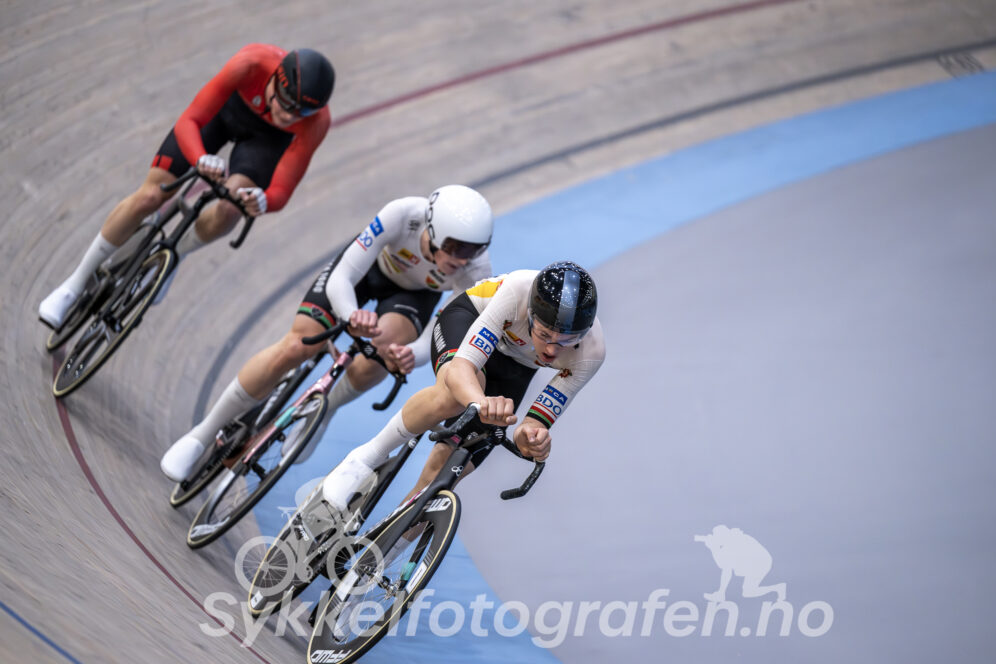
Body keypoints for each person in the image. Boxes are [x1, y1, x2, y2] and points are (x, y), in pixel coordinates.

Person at [160, 184, 494, 481]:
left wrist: (412, 355)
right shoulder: (403, 213)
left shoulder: (476, 271)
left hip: (413, 297)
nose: (463, 260)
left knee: (385, 351)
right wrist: (350, 315)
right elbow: (343, 276)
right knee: (295, 347)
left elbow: (443, 330)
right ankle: (201, 435)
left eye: (474, 250)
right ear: (431, 230)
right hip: (365, 273)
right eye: (455, 247)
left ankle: (325, 409)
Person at [38, 44, 335, 328]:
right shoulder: (250, 65)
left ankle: (173, 257)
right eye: (285, 103)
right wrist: (201, 158)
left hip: (265, 142)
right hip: (224, 114)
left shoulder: (318, 122)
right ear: (274, 79)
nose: (288, 116)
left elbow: (283, 189)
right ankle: (73, 285)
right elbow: (189, 120)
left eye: (300, 113)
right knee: (151, 196)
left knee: (230, 209)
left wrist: (261, 200)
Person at [320, 261, 605, 514]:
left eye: (567, 340)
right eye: (544, 335)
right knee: (455, 396)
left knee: (444, 478)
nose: (553, 350)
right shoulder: (517, 290)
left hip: (516, 368)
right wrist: (480, 403)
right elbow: (461, 371)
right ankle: (363, 460)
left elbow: (529, 425)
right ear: (530, 315)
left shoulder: (591, 353)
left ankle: (377, 559)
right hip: (468, 318)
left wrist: (531, 439)